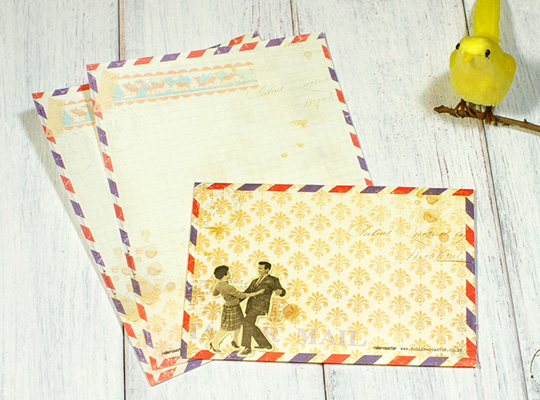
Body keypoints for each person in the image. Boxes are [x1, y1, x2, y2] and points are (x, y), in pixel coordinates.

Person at [209, 265, 263, 353]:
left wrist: (225, 295)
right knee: (225, 328)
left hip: (233, 307)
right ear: (224, 275)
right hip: (232, 309)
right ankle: (214, 343)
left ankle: (235, 341)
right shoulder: (228, 287)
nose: (230, 274)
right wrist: (256, 293)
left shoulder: (218, 285)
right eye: (228, 272)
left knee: (239, 324)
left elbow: (215, 294)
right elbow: (242, 295)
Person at [239, 261, 286, 356]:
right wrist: (235, 301)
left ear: (267, 269)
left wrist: (280, 292)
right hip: (251, 305)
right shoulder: (254, 281)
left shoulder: (273, 280)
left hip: (261, 306)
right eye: (258, 268)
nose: (258, 270)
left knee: (246, 322)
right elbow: (246, 292)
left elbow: (282, 290)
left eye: (261, 268)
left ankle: (247, 348)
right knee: (249, 324)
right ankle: (265, 344)